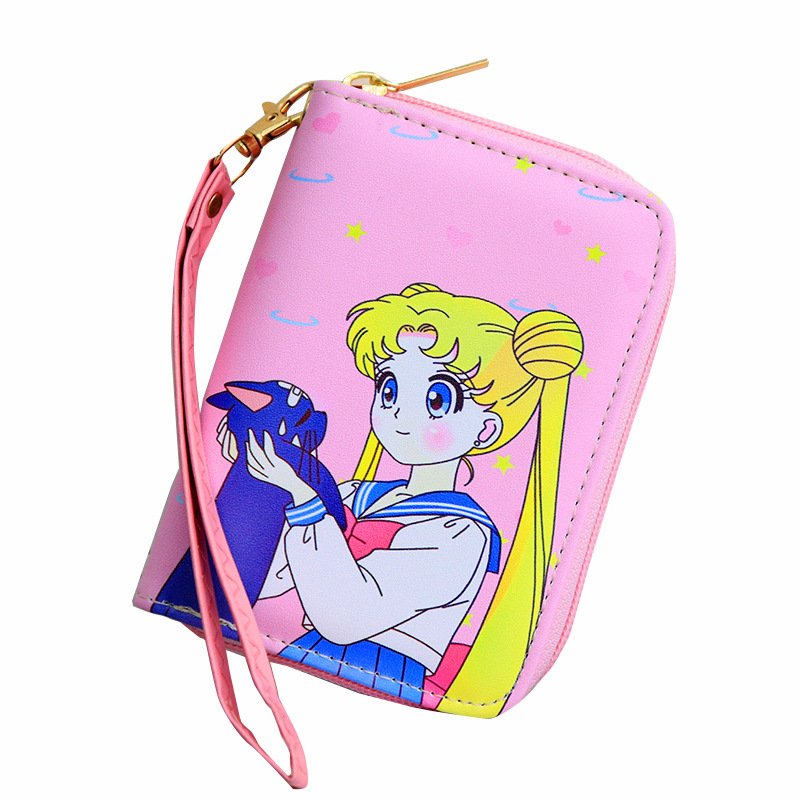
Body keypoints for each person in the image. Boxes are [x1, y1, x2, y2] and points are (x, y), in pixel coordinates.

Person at [240, 283, 582, 713]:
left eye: (437, 399)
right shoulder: (354, 493)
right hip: (298, 651)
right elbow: (268, 579)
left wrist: (304, 501)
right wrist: (257, 482)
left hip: (382, 670)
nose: (401, 413)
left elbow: (346, 617)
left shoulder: (460, 533)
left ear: (485, 430)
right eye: (389, 389)